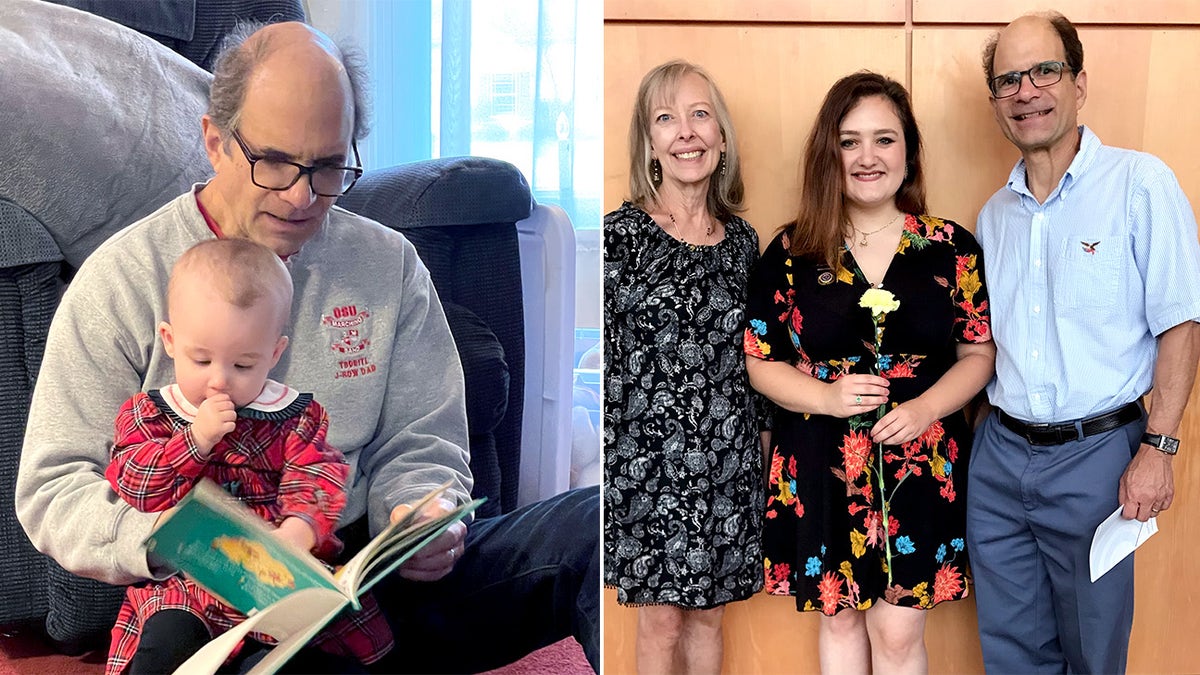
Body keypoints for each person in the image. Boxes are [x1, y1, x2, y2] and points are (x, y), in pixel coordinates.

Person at [15, 20, 599, 674]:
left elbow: (422, 438)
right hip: (207, 602)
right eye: (275, 163)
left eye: (326, 167)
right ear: (214, 141)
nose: (301, 196)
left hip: (365, 579)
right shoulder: (123, 280)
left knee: (600, 527)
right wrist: (172, 541)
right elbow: (53, 484)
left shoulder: (387, 265)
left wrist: (421, 509)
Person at [968, 12, 1200, 674]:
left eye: (1045, 70)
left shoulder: (1139, 184)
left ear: (1080, 84)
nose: (1026, 90)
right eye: (1008, 79)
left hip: (1098, 457)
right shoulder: (993, 217)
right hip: (1000, 458)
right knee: (1012, 653)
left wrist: (1159, 446)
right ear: (995, 103)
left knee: (1093, 653)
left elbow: (1181, 322)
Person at [743, 72, 995, 674]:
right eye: (849, 140)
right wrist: (826, 398)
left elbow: (979, 353)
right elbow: (759, 359)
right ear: (829, 154)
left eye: (884, 140)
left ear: (908, 152)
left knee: (900, 630)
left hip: (921, 459)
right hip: (823, 456)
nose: (867, 157)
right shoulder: (790, 251)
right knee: (839, 620)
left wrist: (927, 408)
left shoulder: (950, 247)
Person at [105, 238, 391, 674]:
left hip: (274, 581)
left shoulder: (295, 416)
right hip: (189, 582)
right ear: (169, 340)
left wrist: (299, 532)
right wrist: (194, 441)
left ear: (274, 354)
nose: (219, 381)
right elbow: (136, 485)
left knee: (315, 657)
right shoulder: (151, 415)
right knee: (164, 648)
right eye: (200, 360)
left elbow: (319, 474)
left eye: (243, 365)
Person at [604, 59, 764, 674]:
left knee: (710, 614)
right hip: (649, 463)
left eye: (700, 115)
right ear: (650, 144)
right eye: (665, 119)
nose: (686, 132)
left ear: (721, 138)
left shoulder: (743, 244)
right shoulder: (622, 236)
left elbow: (757, 353)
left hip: (729, 459)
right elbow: (611, 360)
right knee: (661, 619)